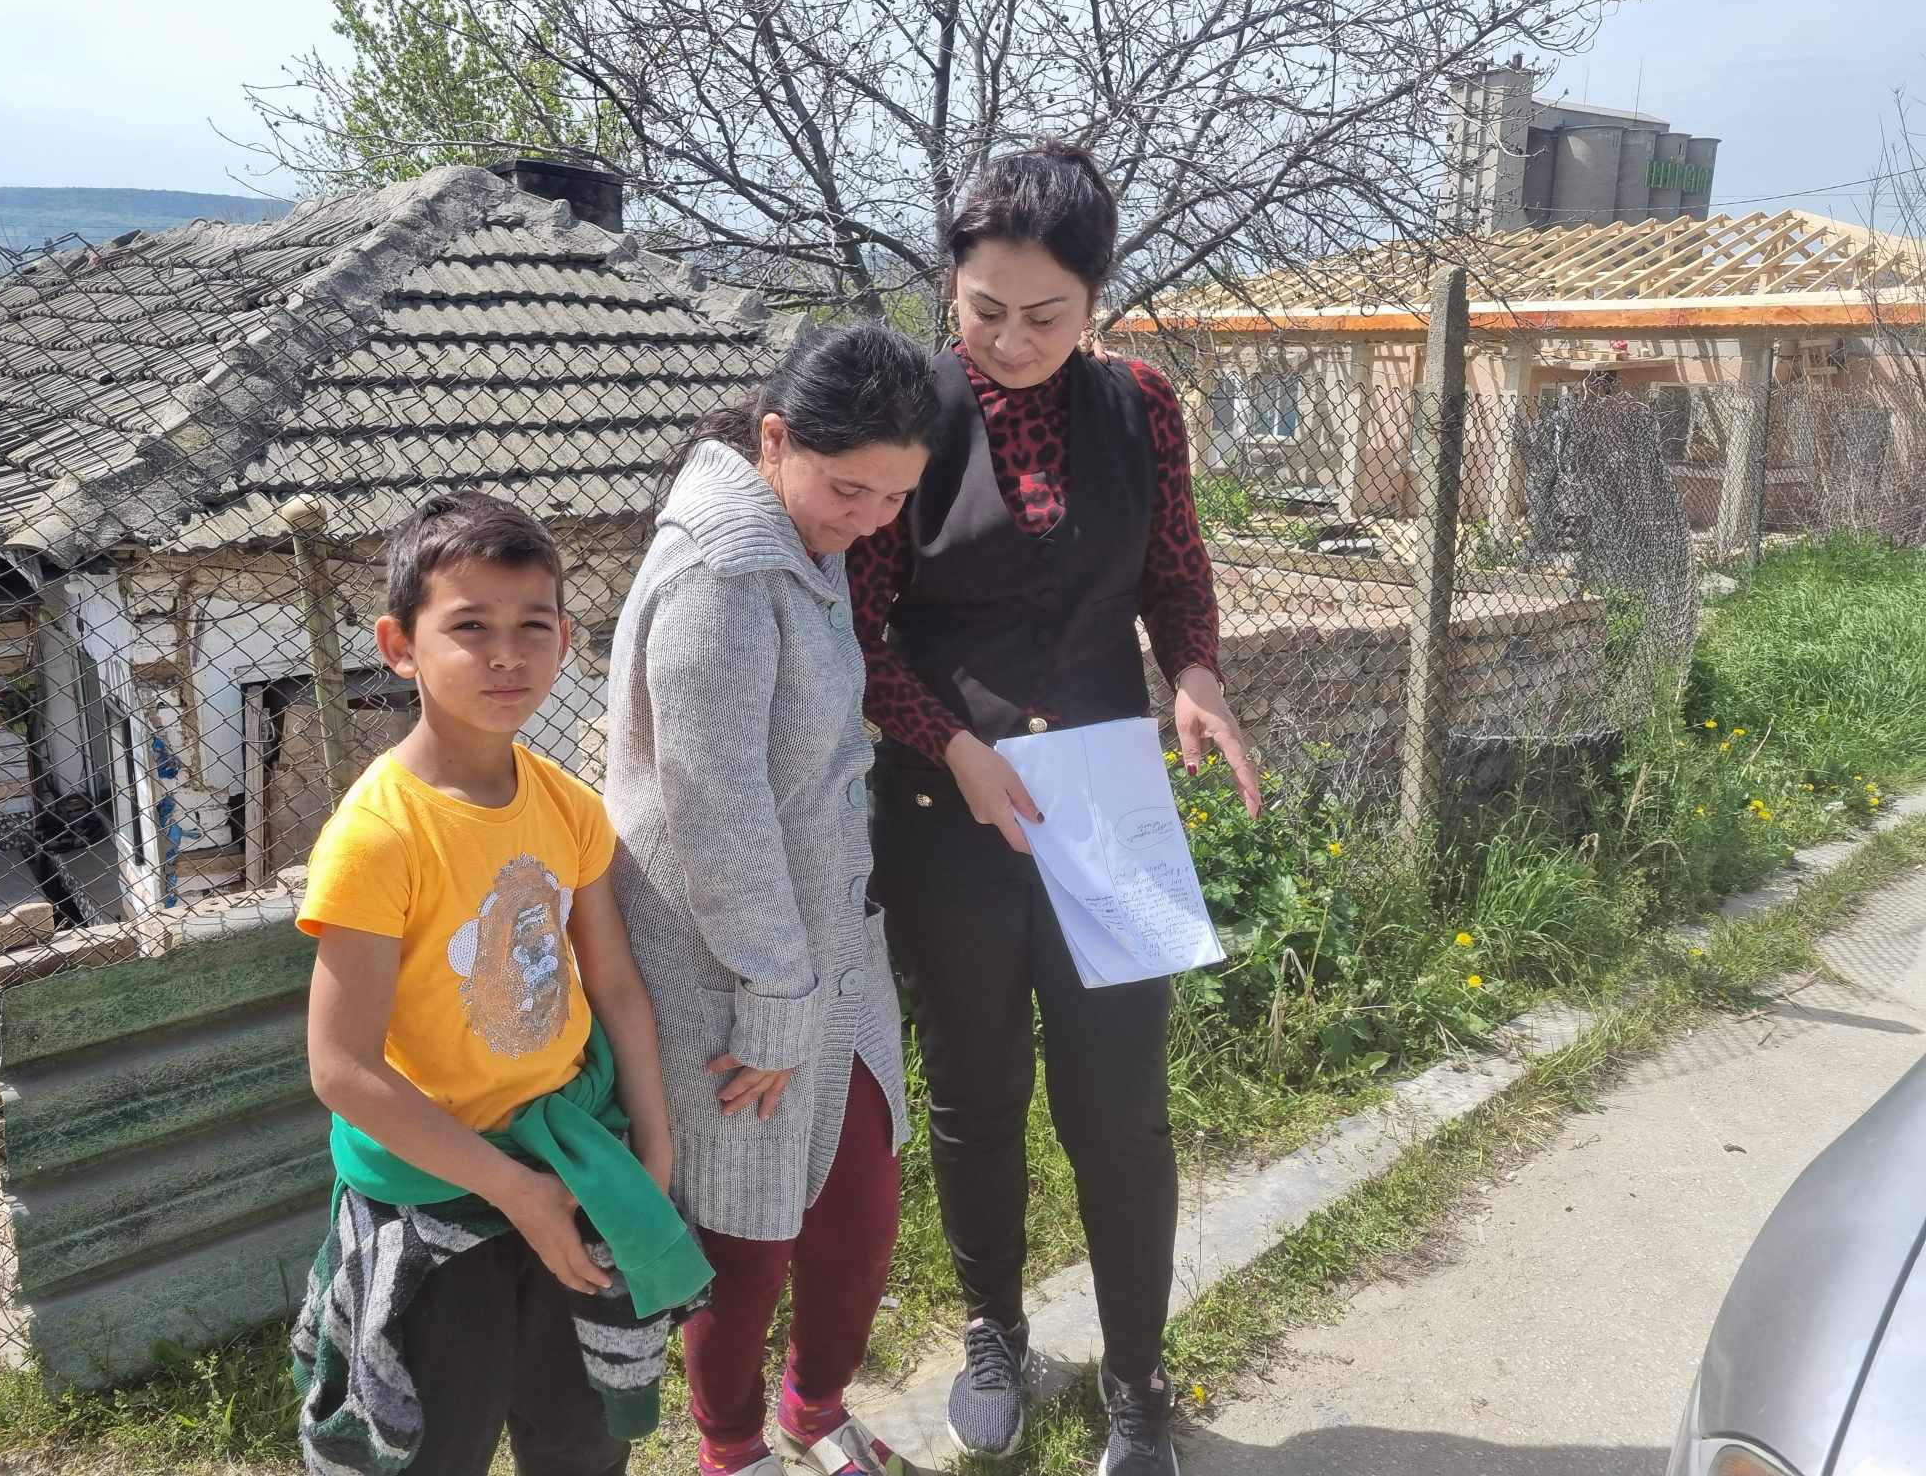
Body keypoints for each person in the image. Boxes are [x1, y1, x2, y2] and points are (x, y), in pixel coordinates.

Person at [848, 141, 1263, 1476]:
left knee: (1120, 1108)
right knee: (976, 1095)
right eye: (986, 311)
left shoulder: (1142, 406)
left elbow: (1176, 573)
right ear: (949, 287)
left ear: (1096, 301)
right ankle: (996, 1334)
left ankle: (1138, 1379)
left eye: (1048, 315)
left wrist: (1193, 675)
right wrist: (952, 745)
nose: (1014, 342)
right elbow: (860, 632)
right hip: (946, 815)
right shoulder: (903, 412)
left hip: (1107, 811)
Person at [291, 491, 713, 1476]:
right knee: (436, 1446)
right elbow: (342, 1069)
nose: (506, 655)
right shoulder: (378, 836)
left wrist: (653, 1149)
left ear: (565, 637)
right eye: (470, 626)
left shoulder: (568, 806)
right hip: (438, 1196)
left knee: (582, 1441)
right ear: (400, 645)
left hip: (574, 1165)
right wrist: (515, 1191)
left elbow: (616, 987)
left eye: (533, 625)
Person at [606, 324, 940, 1476]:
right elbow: (715, 812)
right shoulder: (724, 576)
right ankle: (733, 1449)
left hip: (828, 947)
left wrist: (811, 980)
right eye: (852, 489)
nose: (872, 520)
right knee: (745, 1239)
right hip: (729, 972)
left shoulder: (808, 539)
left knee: (861, 1206)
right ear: (775, 439)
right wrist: (775, 1001)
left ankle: (814, 1409)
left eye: (897, 496)